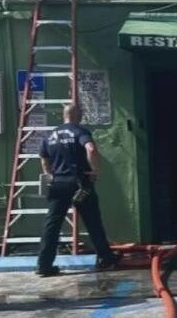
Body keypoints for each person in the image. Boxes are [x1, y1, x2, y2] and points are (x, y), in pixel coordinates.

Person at [36, 104, 122, 277]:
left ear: (64, 115)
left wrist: (49, 174)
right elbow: (90, 148)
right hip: (79, 184)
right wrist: (95, 170)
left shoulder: (51, 135)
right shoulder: (79, 132)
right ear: (78, 115)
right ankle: (106, 258)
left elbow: (44, 158)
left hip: (58, 184)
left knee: (52, 224)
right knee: (92, 221)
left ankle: (43, 265)